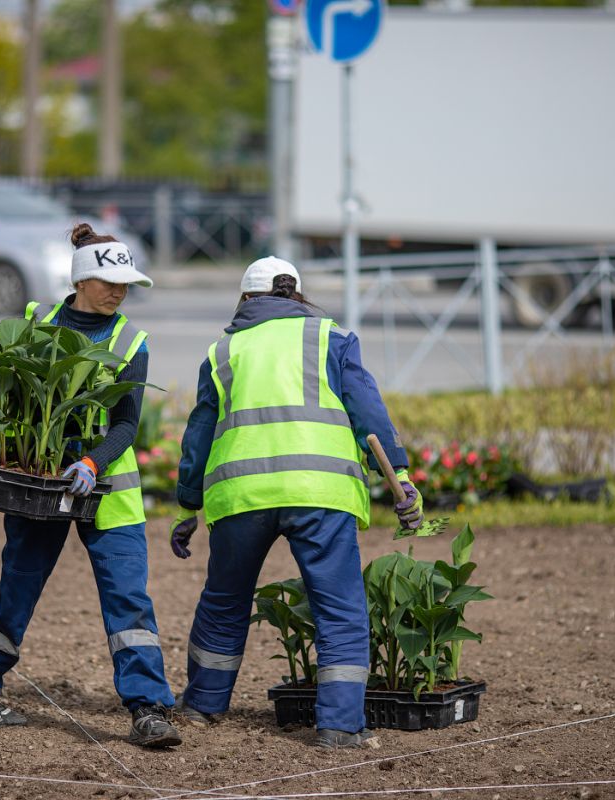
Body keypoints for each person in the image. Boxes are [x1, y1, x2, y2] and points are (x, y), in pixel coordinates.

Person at [168, 256, 424, 749]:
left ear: (246, 300)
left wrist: (186, 507)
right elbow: (368, 411)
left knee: (224, 602)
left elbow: (197, 435)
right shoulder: (332, 338)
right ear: (297, 296)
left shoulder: (223, 352)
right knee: (340, 609)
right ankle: (339, 726)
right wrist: (402, 478)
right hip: (319, 492)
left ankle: (202, 707)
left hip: (242, 495)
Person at [0, 223, 182, 749]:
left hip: (108, 489)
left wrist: (91, 463)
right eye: (109, 280)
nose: (119, 291)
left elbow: (127, 424)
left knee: (129, 601)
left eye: (126, 282)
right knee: (19, 586)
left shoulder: (131, 341)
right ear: (82, 278)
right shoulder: (37, 324)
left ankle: (148, 708)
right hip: (39, 485)